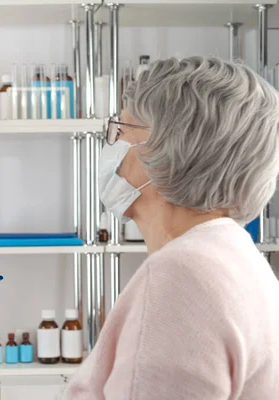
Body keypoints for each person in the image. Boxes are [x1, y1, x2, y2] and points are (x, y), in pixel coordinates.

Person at [65, 57, 279, 399]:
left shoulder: (182, 275)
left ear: (168, 147)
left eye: (120, 131)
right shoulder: (233, 257)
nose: (111, 147)